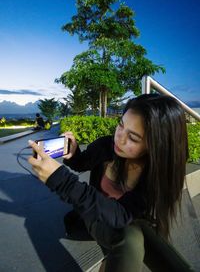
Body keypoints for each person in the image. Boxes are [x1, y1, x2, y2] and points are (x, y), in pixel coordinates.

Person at [28, 94, 192, 272]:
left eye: (133, 138)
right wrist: (74, 154)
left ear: (155, 146)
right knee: (131, 235)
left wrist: (62, 180)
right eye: (121, 125)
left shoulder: (157, 175)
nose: (119, 139)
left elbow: (122, 215)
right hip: (92, 218)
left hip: (126, 221)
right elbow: (82, 163)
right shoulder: (106, 146)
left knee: (136, 230)